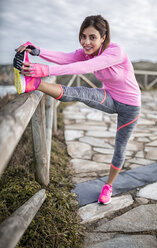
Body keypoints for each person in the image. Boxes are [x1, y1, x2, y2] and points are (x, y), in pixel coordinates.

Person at [14, 15, 141, 205]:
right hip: (110, 96)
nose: (86, 42)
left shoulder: (116, 52)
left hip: (130, 107)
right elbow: (66, 58)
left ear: (103, 37)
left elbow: (85, 67)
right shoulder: (88, 52)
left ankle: (108, 186)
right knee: (82, 93)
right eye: (83, 36)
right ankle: (34, 83)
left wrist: (46, 69)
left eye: (92, 37)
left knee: (119, 148)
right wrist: (37, 51)